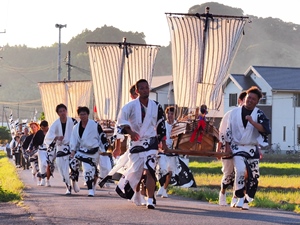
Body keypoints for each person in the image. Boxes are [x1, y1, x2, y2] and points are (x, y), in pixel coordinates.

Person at [115, 79, 167, 209]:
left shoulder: (156, 106)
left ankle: (150, 199)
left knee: (150, 170)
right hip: (136, 143)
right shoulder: (129, 106)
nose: (145, 90)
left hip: (151, 142)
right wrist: (130, 131)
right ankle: (137, 192)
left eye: (147, 88)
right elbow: (121, 122)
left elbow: (161, 125)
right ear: (137, 91)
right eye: (142, 88)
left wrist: (163, 142)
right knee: (136, 172)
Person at [224, 86, 271, 210]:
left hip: (251, 148)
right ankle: (239, 196)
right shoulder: (234, 113)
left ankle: (246, 200)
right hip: (237, 147)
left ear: (257, 101)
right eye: (249, 97)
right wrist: (227, 146)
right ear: (245, 97)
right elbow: (228, 130)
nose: (250, 100)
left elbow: (266, 129)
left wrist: (252, 122)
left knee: (253, 176)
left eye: (253, 99)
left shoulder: (259, 114)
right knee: (240, 170)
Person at [70, 106, 109, 197]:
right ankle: (78, 183)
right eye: (81, 114)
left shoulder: (95, 125)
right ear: (78, 115)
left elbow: (102, 136)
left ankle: (92, 187)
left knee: (92, 171)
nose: (82, 116)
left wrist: (103, 149)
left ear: (88, 114)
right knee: (75, 165)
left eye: (84, 114)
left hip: (93, 151)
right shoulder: (76, 127)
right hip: (81, 151)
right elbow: (74, 139)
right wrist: (73, 150)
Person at [218, 91, 247, 207]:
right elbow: (222, 132)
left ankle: (236, 196)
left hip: (242, 148)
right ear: (240, 101)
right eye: (245, 100)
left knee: (241, 172)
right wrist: (220, 148)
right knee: (228, 174)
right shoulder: (230, 114)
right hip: (228, 147)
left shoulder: (250, 115)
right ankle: (223, 193)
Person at [44, 104, 78, 195]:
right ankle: (68, 186)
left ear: (66, 111)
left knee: (73, 166)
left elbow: (79, 132)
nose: (62, 113)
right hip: (60, 148)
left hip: (72, 147)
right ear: (58, 113)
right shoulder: (55, 124)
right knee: (62, 168)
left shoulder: (73, 121)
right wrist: (56, 137)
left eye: (64, 111)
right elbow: (48, 137)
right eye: (60, 111)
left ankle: (73, 181)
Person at [156, 106, 177, 198]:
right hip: (163, 151)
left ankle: (164, 189)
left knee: (170, 172)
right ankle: (161, 186)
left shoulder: (177, 125)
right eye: (168, 113)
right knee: (162, 170)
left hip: (173, 152)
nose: (170, 115)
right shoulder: (163, 124)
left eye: (172, 114)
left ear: (174, 115)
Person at [37, 120, 51, 186]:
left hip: (49, 151)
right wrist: (30, 148)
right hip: (41, 151)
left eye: (43, 128)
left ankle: (47, 180)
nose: (42, 129)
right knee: (42, 165)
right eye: (41, 128)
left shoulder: (51, 132)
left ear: (47, 126)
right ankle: (42, 179)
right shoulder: (39, 133)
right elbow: (34, 141)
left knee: (48, 165)